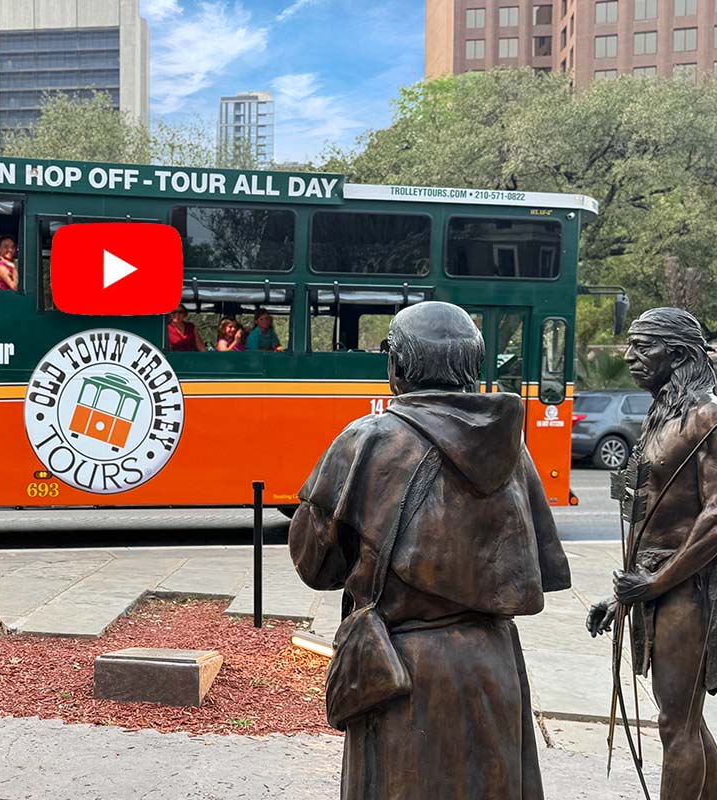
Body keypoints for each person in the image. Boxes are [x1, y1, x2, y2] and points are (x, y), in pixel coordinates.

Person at [289, 301, 570, 799]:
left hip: (406, 672)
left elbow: (315, 565)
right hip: (493, 664)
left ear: (396, 365)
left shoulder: (368, 439)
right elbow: (542, 565)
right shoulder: (512, 449)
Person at [587, 308, 717, 799]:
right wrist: (622, 598)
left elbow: (715, 516)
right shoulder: (664, 414)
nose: (629, 356)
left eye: (644, 347)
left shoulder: (708, 415)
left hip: (690, 588)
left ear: (679, 355)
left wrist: (656, 585)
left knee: (674, 724)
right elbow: (653, 523)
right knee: (684, 722)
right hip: (657, 586)